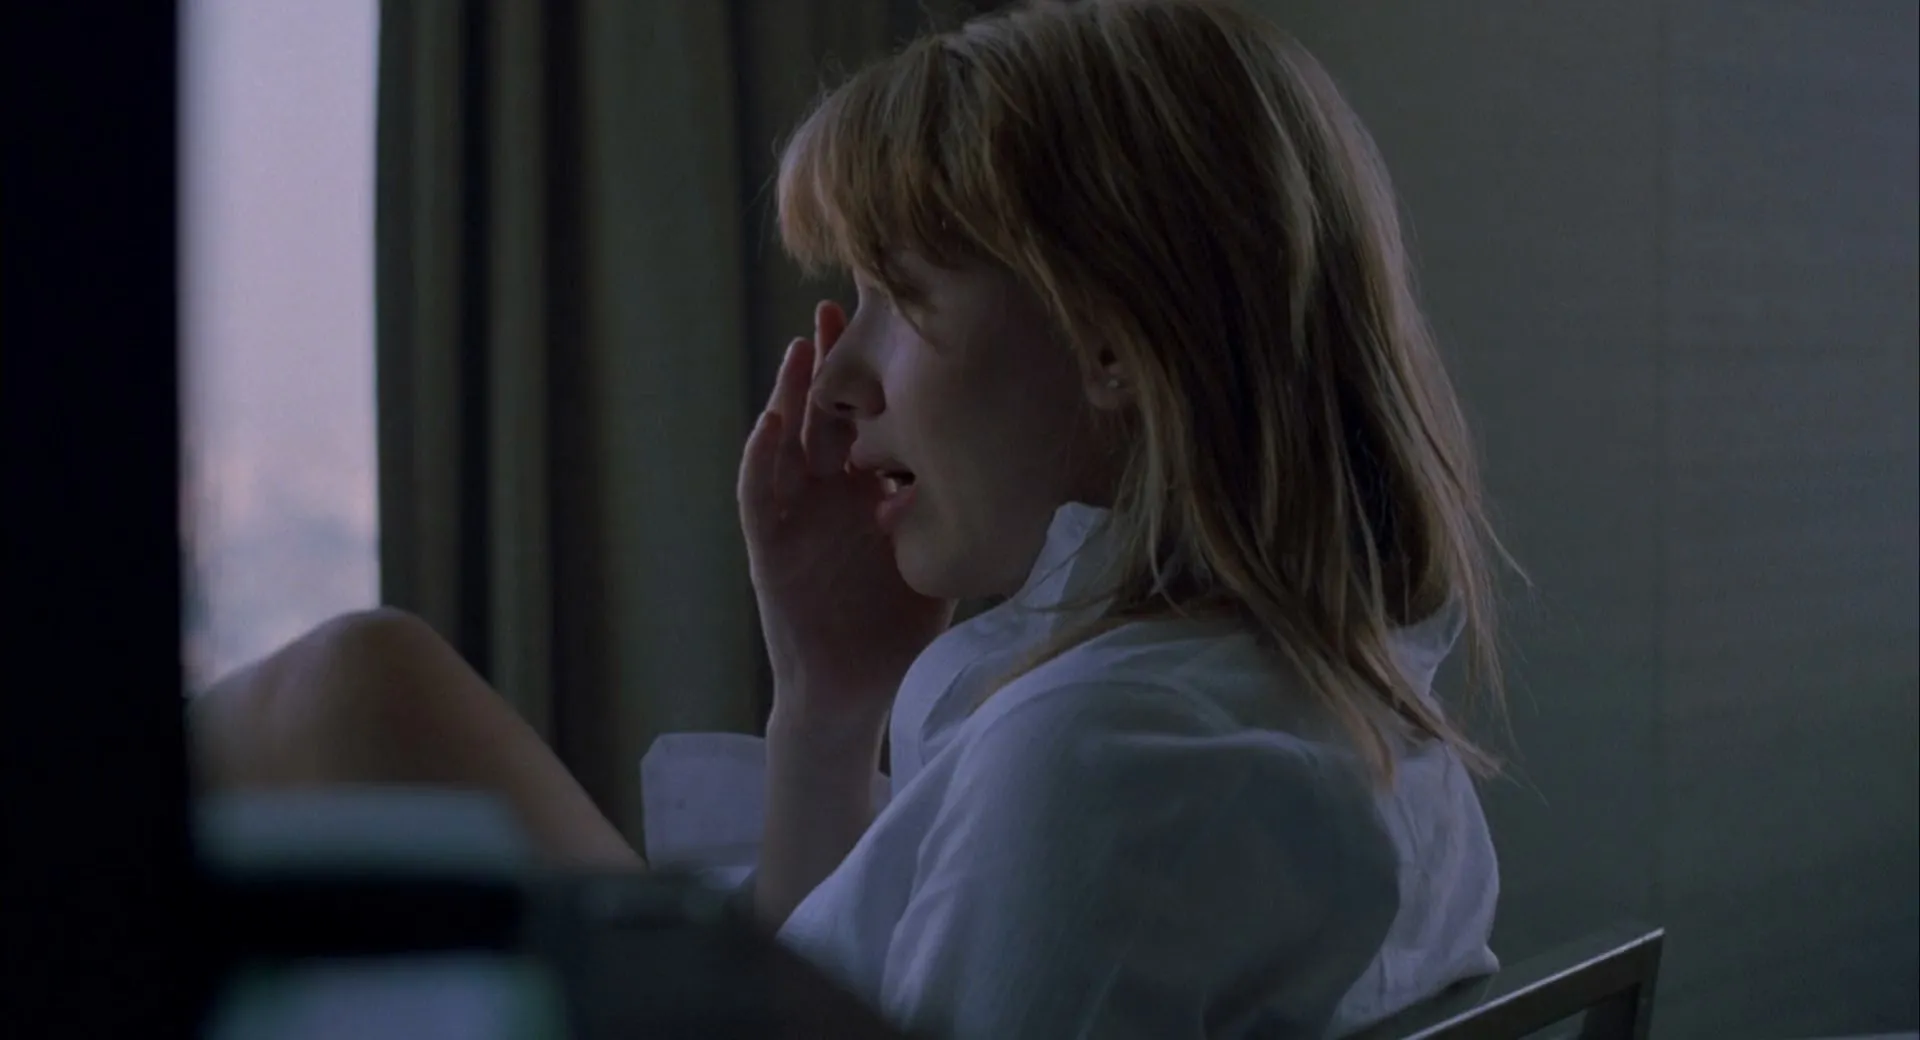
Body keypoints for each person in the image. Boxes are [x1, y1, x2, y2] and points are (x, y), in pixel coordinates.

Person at [192, 0, 1515, 1035]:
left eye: (903, 294)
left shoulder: (1114, 769)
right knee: (356, 688)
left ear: (1113, 341)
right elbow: (822, 1005)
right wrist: (829, 701)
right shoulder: (1351, 719)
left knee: (350, 694)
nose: (837, 380)